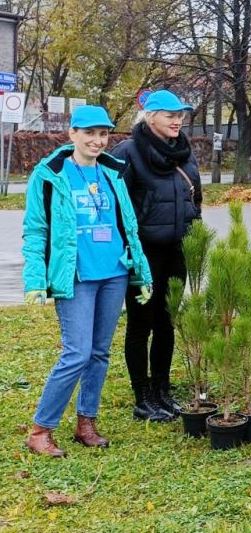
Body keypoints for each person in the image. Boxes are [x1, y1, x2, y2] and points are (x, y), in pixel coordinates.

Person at [22, 106, 153, 457]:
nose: (97, 141)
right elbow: (35, 231)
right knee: (76, 353)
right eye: (89, 133)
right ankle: (41, 430)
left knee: (99, 353)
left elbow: (129, 227)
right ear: (73, 134)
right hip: (77, 278)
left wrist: (141, 274)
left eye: (103, 134)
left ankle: (86, 423)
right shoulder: (49, 175)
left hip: (114, 274)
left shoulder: (112, 173)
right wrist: (35, 280)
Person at [110, 90, 202, 422]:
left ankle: (162, 390)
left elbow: (195, 198)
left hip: (177, 250)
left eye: (180, 115)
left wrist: (194, 230)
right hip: (143, 253)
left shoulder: (184, 152)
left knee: (166, 321)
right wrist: (128, 248)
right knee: (141, 323)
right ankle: (143, 397)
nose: (177, 121)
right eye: (170, 114)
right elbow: (116, 205)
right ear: (150, 117)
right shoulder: (128, 152)